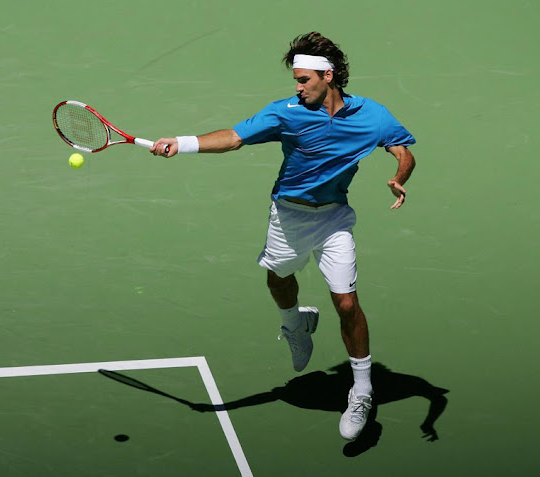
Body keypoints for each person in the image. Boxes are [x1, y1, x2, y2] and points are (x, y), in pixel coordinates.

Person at [150, 32, 416, 441]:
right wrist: (182, 143)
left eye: (304, 79)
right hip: (288, 216)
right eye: (296, 80)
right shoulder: (285, 113)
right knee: (277, 280)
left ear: (328, 76)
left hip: (334, 220)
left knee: (347, 303)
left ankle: (362, 391)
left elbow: (402, 150)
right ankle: (296, 325)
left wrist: (399, 177)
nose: (298, 87)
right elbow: (234, 138)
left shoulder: (372, 115)